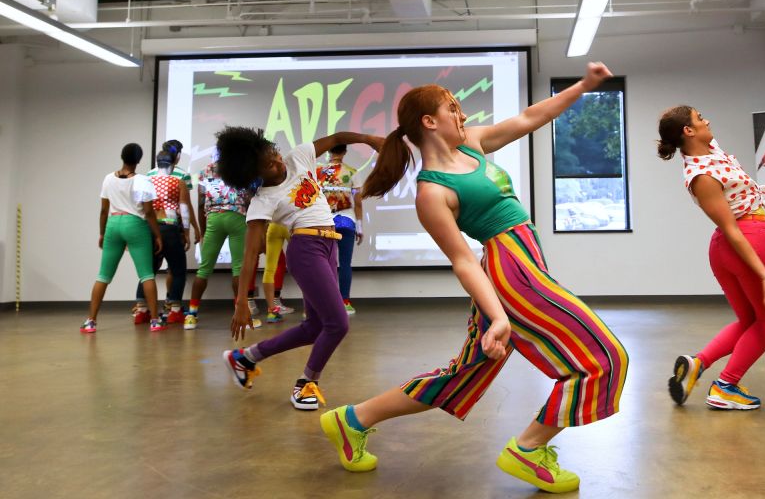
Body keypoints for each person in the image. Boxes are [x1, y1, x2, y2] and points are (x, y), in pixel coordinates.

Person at [319, 63, 628, 494]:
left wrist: (583, 86)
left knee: (465, 373)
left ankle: (353, 420)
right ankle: (528, 449)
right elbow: (463, 261)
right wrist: (498, 314)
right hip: (511, 272)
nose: (461, 116)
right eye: (453, 109)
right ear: (430, 121)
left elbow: (527, 118)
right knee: (605, 358)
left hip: (520, 262)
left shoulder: (473, 144)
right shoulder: (432, 192)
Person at [215, 127, 383, 410]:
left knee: (314, 327)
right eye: (269, 164)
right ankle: (305, 383)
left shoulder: (298, 158)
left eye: (275, 154)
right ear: (254, 173)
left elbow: (336, 137)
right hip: (306, 250)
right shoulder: (263, 200)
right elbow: (249, 255)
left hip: (329, 245)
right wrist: (241, 300)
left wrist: (369, 139)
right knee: (339, 323)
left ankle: (245, 358)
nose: (278, 162)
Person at [658, 106, 765, 410]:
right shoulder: (701, 175)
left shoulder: (710, 149)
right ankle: (726, 386)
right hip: (744, 242)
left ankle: (697, 365)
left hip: (726, 248)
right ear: (688, 131)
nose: (707, 120)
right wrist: (764, 275)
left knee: (749, 320)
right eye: (700, 118)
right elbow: (730, 229)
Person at [81, 143, 164, 333]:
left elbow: (103, 210)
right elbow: (149, 212)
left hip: (113, 224)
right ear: (139, 160)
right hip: (135, 225)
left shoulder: (108, 178)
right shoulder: (143, 180)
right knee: (146, 275)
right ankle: (154, 321)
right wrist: (157, 236)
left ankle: (90, 322)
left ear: (122, 157)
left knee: (103, 275)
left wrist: (102, 233)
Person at [132, 139, 200, 324]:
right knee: (178, 270)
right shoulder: (177, 181)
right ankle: (175, 310)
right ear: (173, 163)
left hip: (149, 228)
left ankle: (141, 310)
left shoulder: (146, 179)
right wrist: (186, 232)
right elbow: (184, 209)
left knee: (149, 270)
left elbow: (139, 207)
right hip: (170, 228)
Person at [183, 157, 253, 331]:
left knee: (204, 269)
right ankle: (240, 314)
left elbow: (200, 204)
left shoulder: (206, 171)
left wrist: (203, 231)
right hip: (237, 216)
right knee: (238, 268)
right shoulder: (242, 167)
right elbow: (249, 200)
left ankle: (191, 315)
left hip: (214, 217)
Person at [317, 145, 365, 315]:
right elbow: (358, 202)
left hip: (324, 222)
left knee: (325, 264)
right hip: (347, 221)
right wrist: (359, 226)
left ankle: (327, 303)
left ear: (328, 151)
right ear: (344, 152)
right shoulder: (352, 172)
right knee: (345, 264)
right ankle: (345, 301)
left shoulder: (318, 172)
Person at [245, 222, 293, 323]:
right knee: (284, 262)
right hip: (276, 223)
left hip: (251, 224)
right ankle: (307, 311)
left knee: (254, 260)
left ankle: (252, 304)